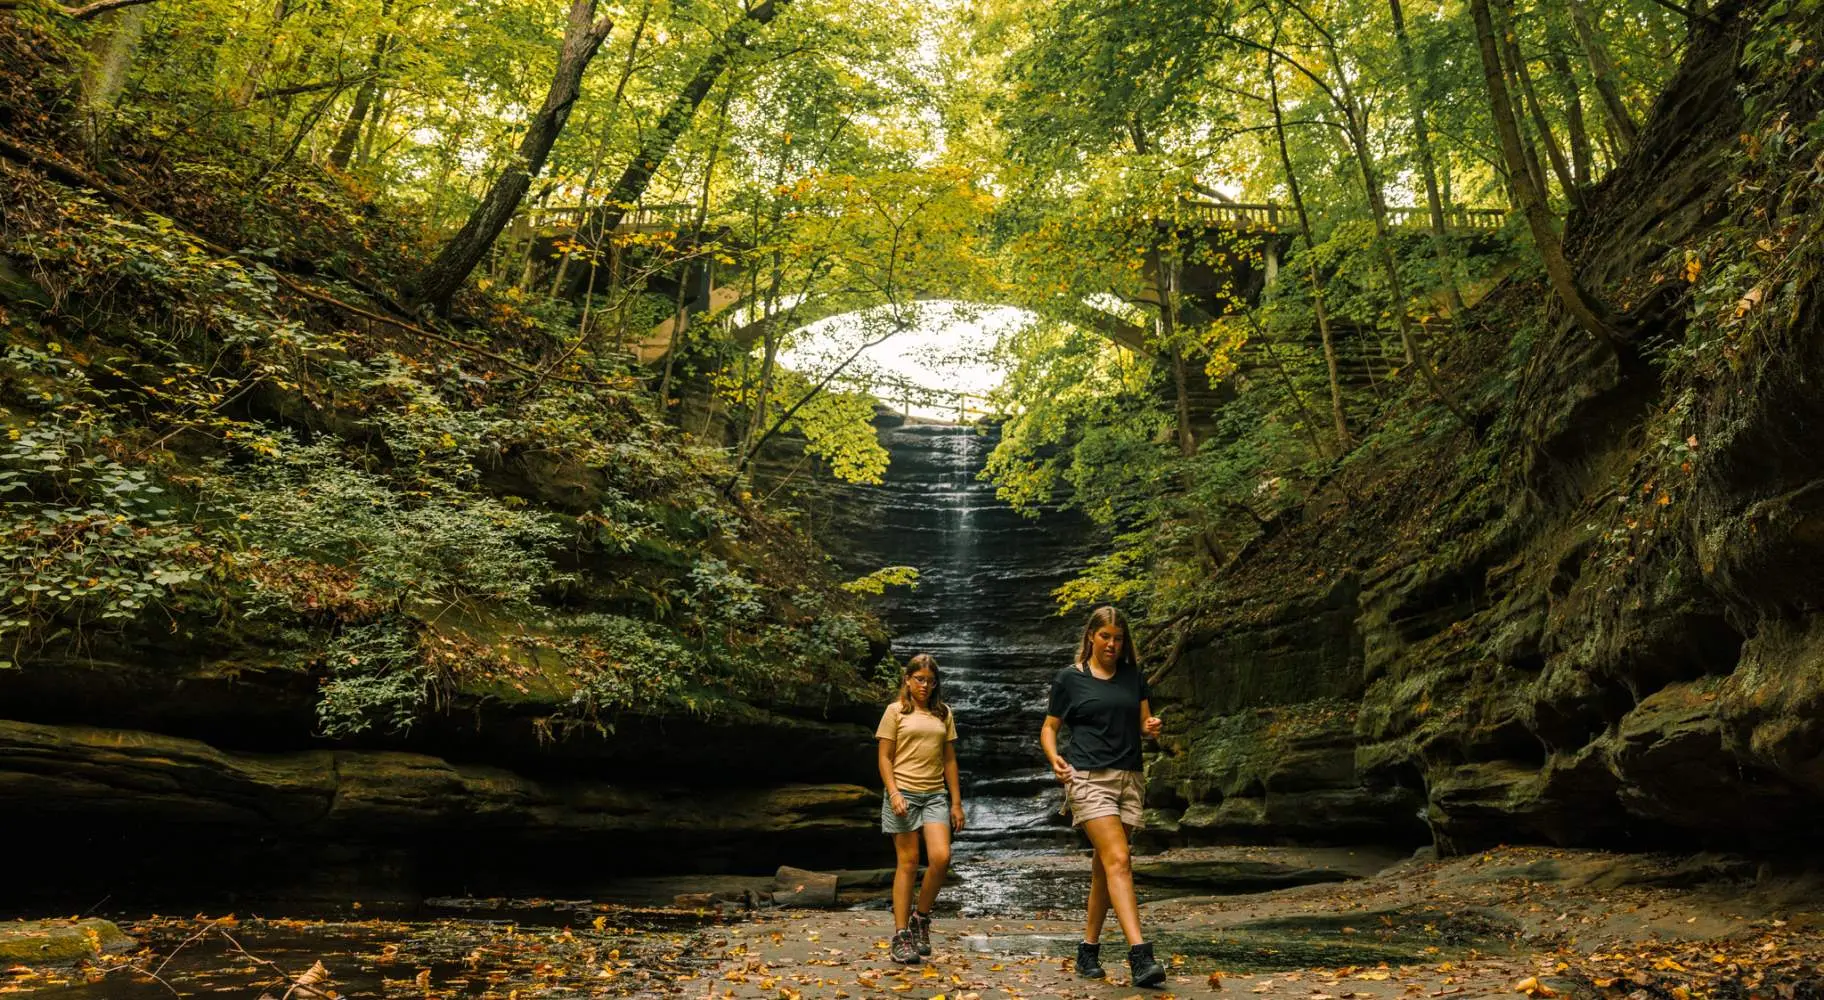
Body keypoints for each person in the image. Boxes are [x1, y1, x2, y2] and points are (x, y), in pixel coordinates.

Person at [1041, 605, 1167, 988]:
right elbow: (1049, 728)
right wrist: (1054, 758)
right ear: (1091, 637)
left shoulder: (1134, 677)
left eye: (1118, 638)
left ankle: (1088, 950)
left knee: (1104, 867)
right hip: (1089, 778)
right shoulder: (1070, 679)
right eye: (1105, 637)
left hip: (1130, 778)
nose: (1112, 644)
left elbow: (1145, 725)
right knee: (1119, 859)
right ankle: (1140, 957)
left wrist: (1151, 727)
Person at [875, 653, 965, 965]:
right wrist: (894, 792)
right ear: (908, 680)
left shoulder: (943, 713)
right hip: (903, 793)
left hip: (935, 795)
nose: (925, 685)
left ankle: (920, 918)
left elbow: (950, 760)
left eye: (930, 680)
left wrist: (956, 802)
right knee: (909, 862)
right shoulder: (895, 711)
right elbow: (885, 757)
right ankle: (901, 936)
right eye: (919, 679)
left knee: (941, 858)